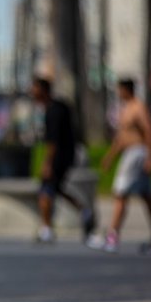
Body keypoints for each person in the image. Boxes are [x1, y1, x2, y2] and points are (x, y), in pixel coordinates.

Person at [88, 78, 151, 254]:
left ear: (127, 90)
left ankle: (112, 236)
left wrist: (150, 157)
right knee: (147, 197)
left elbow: (149, 132)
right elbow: (121, 138)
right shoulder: (125, 109)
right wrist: (110, 157)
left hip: (137, 154)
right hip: (130, 153)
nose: (118, 93)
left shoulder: (138, 108)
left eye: (120, 90)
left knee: (120, 194)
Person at [30, 77, 95, 243]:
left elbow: (53, 141)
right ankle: (84, 211)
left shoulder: (53, 111)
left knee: (45, 191)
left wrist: (47, 163)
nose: (32, 92)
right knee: (56, 189)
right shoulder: (58, 107)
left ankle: (46, 229)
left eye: (35, 88)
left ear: (43, 90)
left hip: (59, 156)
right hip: (67, 154)